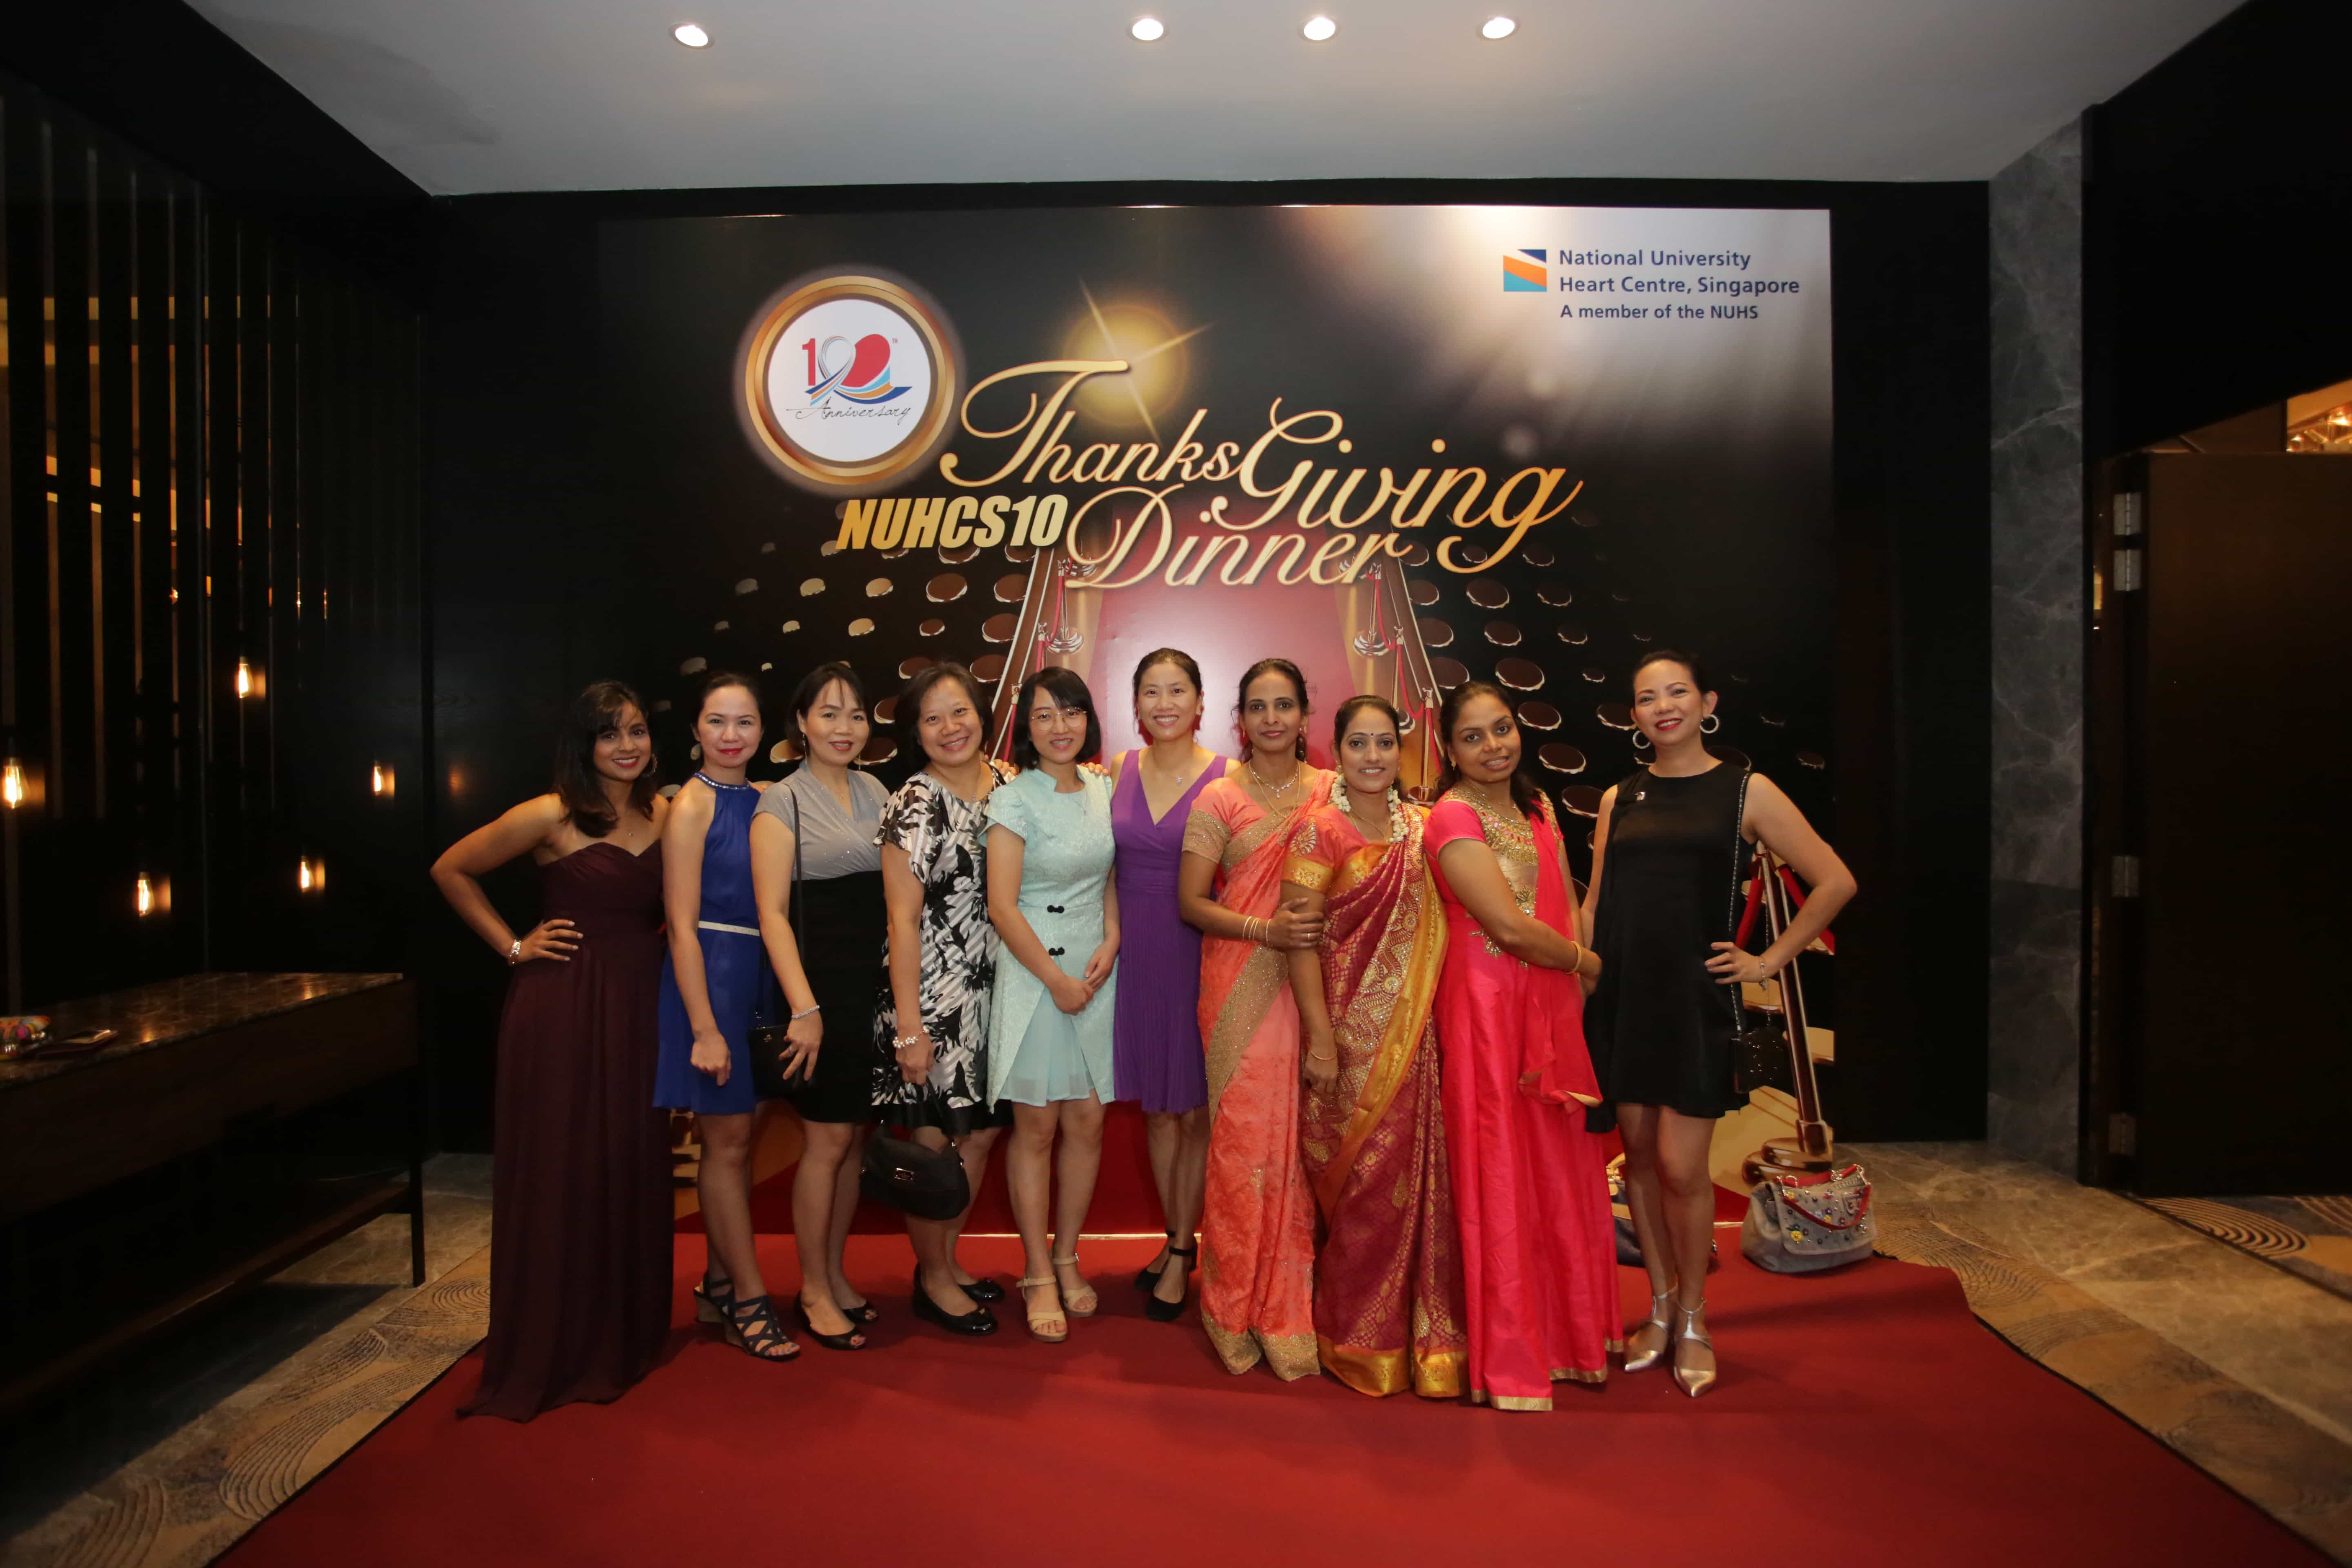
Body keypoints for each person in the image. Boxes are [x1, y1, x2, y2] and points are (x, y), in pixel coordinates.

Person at [1582, 648, 1856, 1398]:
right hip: (1624, 997)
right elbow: (1598, 900)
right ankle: (1661, 1308)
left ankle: (1698, 1317)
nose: (1663, 706)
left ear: (1707, 704)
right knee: (1635, 1157)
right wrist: (1576, 979)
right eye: (1647, 697)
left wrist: (1769, 960)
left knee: (1680, 1167)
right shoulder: (1620, 797)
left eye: (1678, 693)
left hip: (1695, 1001)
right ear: (1634, 716)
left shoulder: (1746, 791)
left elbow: (1835, 880)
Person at [431, 681, 674, 1420]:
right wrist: (513, 945)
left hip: (639, 1005)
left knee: (625, 1158)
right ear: (584, 746)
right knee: (562, 1164)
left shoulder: (664, 812)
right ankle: (552, 1343)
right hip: (561, 1006)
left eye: (636, 730)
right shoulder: (550, 813)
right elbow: (451, 869)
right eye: (609, 735)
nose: (627, 746)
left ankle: (620, 1333)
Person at [1426, 680, 1615, 1411]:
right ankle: (1511, 1347)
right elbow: (1505, 927)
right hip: (1486, 1009)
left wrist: (1574, 975)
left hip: (1547, 1003)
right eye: (1474, 736)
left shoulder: (1535, 806)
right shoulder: (1452, 816)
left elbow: (1564, 906)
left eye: (1502, 729)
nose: (1494, 745)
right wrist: (1588, 966)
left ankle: (1571, 1335)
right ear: (1450, 749)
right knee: (1500, 1166)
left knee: (1556, 1166)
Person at [1283, 695, 1465, 1398]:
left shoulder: (1425, 828)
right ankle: (1356, 1338)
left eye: (1384, 744)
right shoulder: (1317, 833)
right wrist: (1322, 1042)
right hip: (1348, 1046)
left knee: (1428, 1191)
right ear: (1337, 750)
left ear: (1402, 750)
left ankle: (1430, 1340)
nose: (1372, 757)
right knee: (1363, 1195)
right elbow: (1300, 944)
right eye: (1358, 744)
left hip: (1422, 1042)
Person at [1178, 658, 1330, 1379]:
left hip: (1321, 990)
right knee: (1243, 1146)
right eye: (1259, 707)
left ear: (1305, 715)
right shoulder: (1220, 798)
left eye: (1285, 706)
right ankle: (1231, 1301)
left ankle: (1290, 1304)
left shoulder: (1333, 793)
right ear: (1241, 719)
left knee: (1303, 1144)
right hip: (1239, 982)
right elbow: (1191, 903)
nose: (1272, 719)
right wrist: (1263, 931)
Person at [653, 671, 795, 1362]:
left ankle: (716, 1280)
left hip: (764, 978)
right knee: (727, 1147)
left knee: (743, 1142)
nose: (732, 736)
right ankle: (749, 1298)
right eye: (718, 722)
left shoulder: (769, 798)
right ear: (696, 731)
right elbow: (678, 926)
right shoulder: (689, 806)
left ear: (763, 731)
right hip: (711, 977)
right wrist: (705, 1026)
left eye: (744, 723)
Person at [750, 662, 888, 1352]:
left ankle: (834, 1274)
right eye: (829, 713)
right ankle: (809, 1287)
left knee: (854, 1140)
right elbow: (773, 916)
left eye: (857, 714)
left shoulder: (877, 789)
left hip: (871, 990)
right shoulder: (782, 802)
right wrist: (805, 1007)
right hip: (819, 991)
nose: (845, 727)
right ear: (801, 723)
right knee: (826, 1139)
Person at [874, 662, 1014, 1336]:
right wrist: (908, 1027)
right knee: (936, 1147)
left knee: (981, 1137)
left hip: (1004, 997)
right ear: (916, 733)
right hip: (934, 998)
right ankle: (931, 1279)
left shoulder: (1016, 785)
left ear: (981, 713)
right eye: (932, 718)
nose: (950, 728)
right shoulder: (913, 804)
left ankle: (948, 1262)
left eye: (959, 712)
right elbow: (901, 920)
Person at [985, 667, 1121, 1341]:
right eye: (1044, 716)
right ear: (1026, 727)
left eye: (1070, 713)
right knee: (1036, 1128)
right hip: (1036, 972)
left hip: (1097, 972)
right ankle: (1037, 1268)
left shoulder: (1103, 788)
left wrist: (1116, 936)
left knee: (1089, 1124)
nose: (1059, 727)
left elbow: (1111, 879)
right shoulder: (1013, 799)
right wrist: (1054, 979)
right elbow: (1001, 905)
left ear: (1087, 720)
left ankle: (1069, 1255)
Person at [1107, 648, 1220, 1322]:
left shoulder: (1227, 777)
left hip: (1199, 953)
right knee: (1155, 1108)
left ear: (1201, 702)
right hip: (1136, 955)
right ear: (1137, 704)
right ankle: (1174, 1238)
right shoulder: (1118, 770)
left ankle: (1183, 1248)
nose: (1165, 703)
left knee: (1195, 1111)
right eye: (1151, 691)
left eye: (1178, 690)